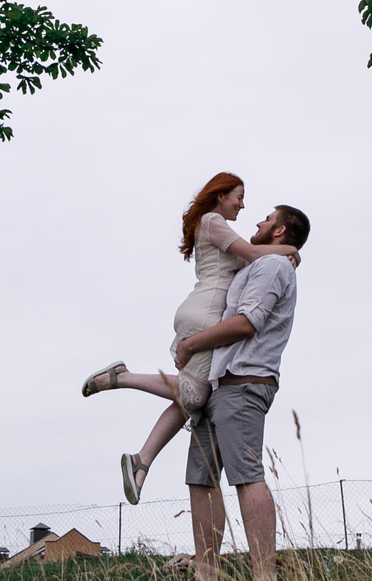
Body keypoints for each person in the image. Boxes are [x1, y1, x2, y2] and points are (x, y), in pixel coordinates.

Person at [81, 173, 297, 504]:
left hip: (204, 309)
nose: (243, 205)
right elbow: (254, 254)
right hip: (207, 311)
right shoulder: (212, 221)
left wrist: (284, 253)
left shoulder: (217, 230)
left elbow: (253, 257)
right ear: (221, 195)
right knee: (193, 394)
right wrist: (292, 249)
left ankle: (142, 461)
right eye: (239, 197)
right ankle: (121, 377)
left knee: (191, 396)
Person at [174, 202, 307, 581]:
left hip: (244, 383)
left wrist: (191, 344)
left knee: (246, 476)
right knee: (201, 478)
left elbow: (247, 323)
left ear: (279, 231)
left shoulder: (273, 267)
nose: (258, 222)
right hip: (219, 384)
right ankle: (206, 578)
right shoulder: (259, 263)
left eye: (267, 219)